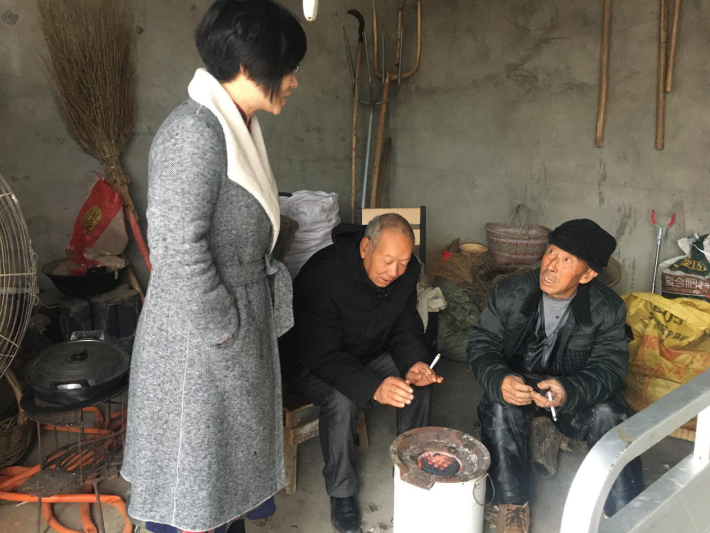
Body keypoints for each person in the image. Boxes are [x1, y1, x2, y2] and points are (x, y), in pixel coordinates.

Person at [121, 2, 306, 532]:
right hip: (199, 342)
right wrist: (225, 329)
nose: (294, 81)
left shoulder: (234, 125)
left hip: (230, 323)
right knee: (195, 483)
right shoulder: (194, 132)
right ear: (248, 65)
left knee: (222, 481)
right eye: (287, 67)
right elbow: (176, 249)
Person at [467, 219, 644, 533]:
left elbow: (610, 370)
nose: (550, 266)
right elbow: (482, 342)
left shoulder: (608, 308)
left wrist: (569, 390)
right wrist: (501, 379)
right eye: (551, 252)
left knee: (612, 414)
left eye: (566, 260)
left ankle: (623, 516)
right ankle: (511, 504)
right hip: (519, 384)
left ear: (587, 275)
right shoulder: (510, 291)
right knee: (497, 407)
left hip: (570, 392)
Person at [285, 214, 442, 533]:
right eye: (388, 261)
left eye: (402, 263)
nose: (394, 272)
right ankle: (342, 492)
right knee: (342, 400)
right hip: (308, 362)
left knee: (417, 384)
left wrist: (414, 362)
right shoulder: (324, 274)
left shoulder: (407, 272)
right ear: (365, 247)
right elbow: (322, 355)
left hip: (365, 354)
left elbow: (405, 326)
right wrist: (374, 386)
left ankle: (410, 470)